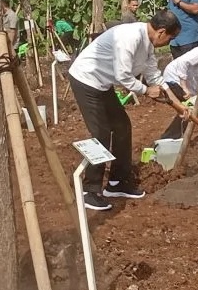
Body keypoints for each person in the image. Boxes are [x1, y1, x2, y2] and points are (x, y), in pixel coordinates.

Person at [68, 11, 181, 211]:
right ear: (162, 32)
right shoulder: (129, 38)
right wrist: (146, 90)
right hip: (86, 80)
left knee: (122, 126)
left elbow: (155, 76)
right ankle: (90, 190)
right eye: (170, 38)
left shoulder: (148, 44)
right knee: (101, 133)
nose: (168, 43)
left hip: (102, 84)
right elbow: (123, 76)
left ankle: (118, 182)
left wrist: (179, 106)